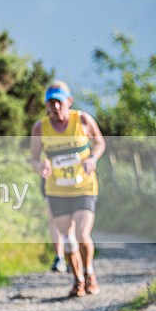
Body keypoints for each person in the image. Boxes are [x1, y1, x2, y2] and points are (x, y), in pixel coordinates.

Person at [30, 81, 106, 297]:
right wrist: (40, 166)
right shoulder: (40, 128)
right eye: (50, 103)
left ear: (68, 101)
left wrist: (92, 158)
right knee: (67, 237)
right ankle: (77, 279)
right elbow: (34, 158)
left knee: (82, 234)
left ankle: (89, 272)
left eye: (59, 102)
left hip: (84, 186)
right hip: (57, 190)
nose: (55, 108)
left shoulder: (82, 119)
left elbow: (100, 143)